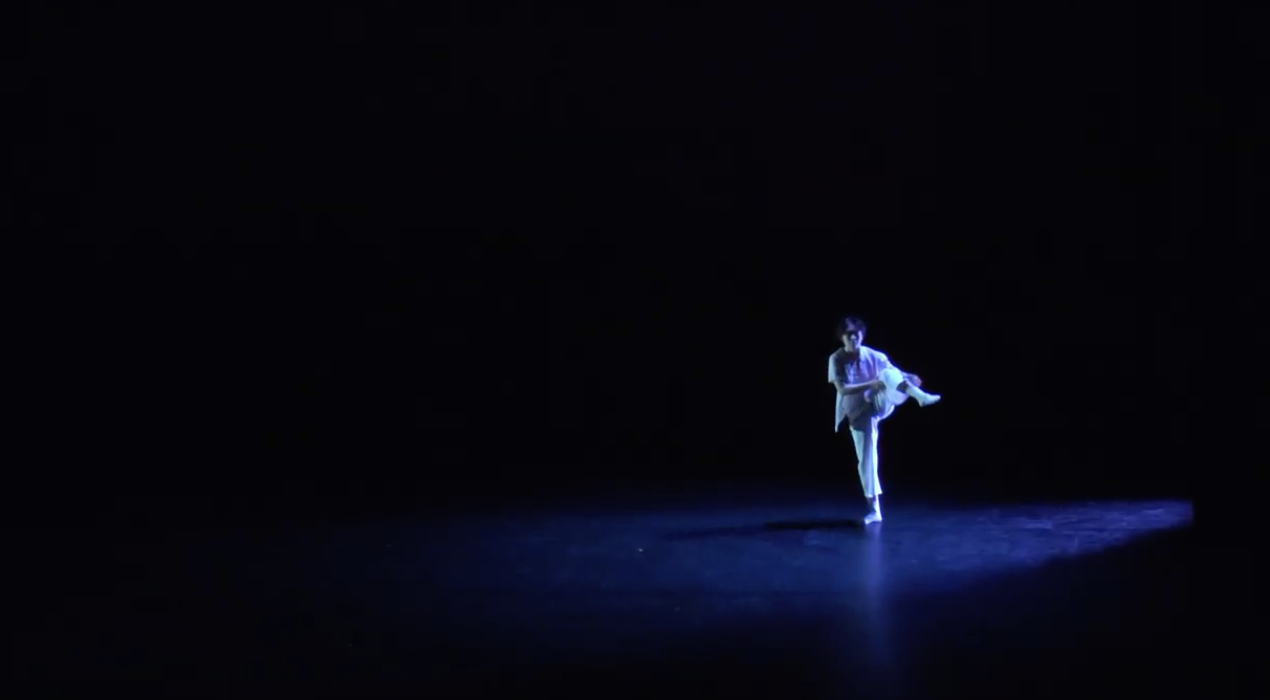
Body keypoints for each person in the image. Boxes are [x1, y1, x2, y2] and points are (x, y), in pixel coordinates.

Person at [828, 316, 941, 524]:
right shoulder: (836, 359)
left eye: (857, 334)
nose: (854, 338)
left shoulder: (874, 355)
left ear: (862, 335)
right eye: (849, 335)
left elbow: (893, 372)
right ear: (842, 338)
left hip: (880, 402)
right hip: (857, 413)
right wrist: (871, 383)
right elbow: (842, 389)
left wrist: (909, 376)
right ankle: (874, 510)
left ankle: (920, 396)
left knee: (889, 373)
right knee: (868, 460)